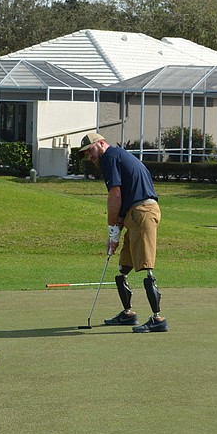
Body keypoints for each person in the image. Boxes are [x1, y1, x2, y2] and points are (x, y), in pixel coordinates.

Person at [78, 132, 168, 333]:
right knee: (124, 265)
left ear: (101, 143)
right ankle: (128, 314)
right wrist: (118, 225)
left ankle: (158, 318)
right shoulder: (117, 156)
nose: (89, 156)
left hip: (142, 212)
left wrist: (112, 231)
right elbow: (125, 194)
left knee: (146, 266)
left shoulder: (109, 157)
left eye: (90, 150)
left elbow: (115, 195)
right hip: (134, 213)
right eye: (85, 154)